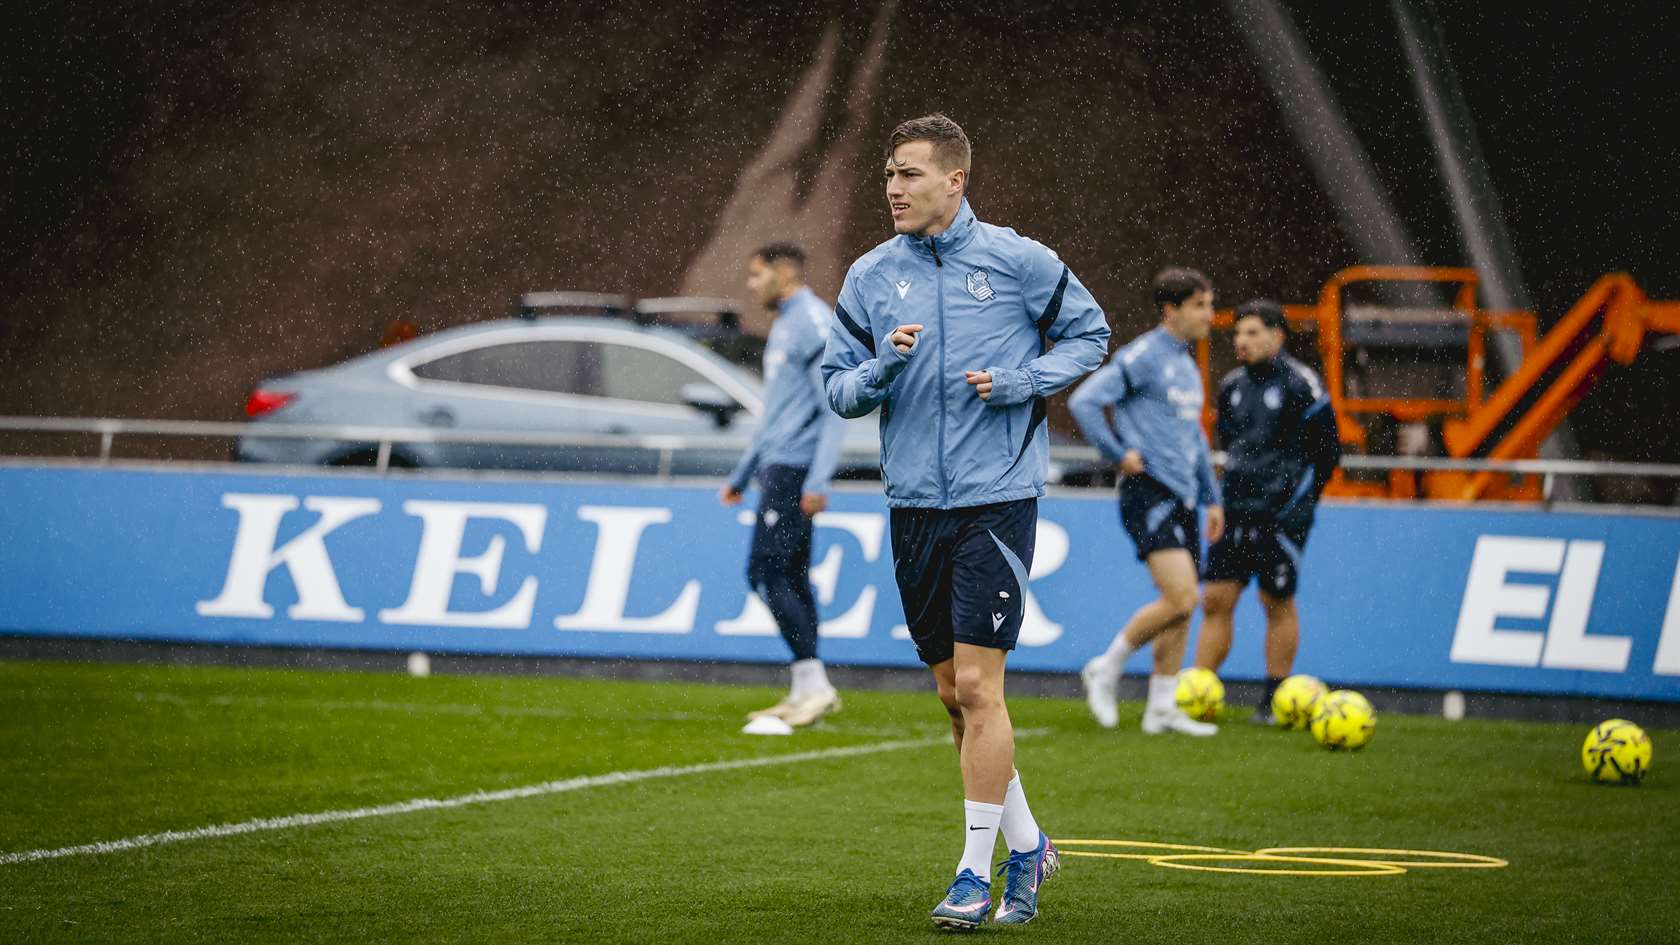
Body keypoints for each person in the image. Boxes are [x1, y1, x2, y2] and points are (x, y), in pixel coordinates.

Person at [821, 113, 1109, 929]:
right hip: (914, 504)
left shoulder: (1018, 260)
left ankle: (973, 874)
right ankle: (1030, 844)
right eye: (888, 174)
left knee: (981, 686)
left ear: (956, 180)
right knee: (953, 694)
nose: (893, 188)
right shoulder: (871, 275)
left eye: (909, 173)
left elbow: (1090, 335)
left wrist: (1025, 380)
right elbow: (837, 387)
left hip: (997, 498)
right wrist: (882, 367)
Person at [1069, 267, 1225, 736]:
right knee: (1182, 597)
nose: (1210, 315)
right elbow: (1084, 401)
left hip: (1184, 497)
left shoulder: (1186, 365)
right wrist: (1118, 453)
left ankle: (1161, 708)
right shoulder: (1143, 356)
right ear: (1171, 310)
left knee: (1181, 606)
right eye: (1200, 306)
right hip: (1149, 492)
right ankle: (1107, 666)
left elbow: (1194, 437)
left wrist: (1212, 498)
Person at [1194, 298, 1341, 723]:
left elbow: (1328, 454)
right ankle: (1199, 695)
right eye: (1238, 333)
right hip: (1236, 510)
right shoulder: (1232, 386)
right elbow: (1231, 446)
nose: (1242, 340)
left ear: (1277, 336)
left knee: (1275, 599)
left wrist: (1297, 507)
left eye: (1252, 332)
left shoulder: (1302, 384)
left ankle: (1276, 698)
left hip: (1281, 515)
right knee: (1216, 598)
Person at [720, 242, 847, 727]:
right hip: (777, 468)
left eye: (757, 275)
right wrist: (742, 474)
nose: (751, 285)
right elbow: (776, 413)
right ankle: (805, 690)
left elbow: (832, 409)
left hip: (795, 471)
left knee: (767, 572)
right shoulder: (787, 323)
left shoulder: (812, 323)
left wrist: (818, 479)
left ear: (784, 273)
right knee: (788, 575)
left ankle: (814, 684)